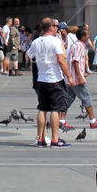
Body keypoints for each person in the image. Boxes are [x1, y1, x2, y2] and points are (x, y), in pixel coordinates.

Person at [27, 18, 73, 147]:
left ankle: (40, 138)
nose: (57, 28)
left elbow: (28, 56)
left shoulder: (36, 42)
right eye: (56, 26)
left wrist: (40, 62)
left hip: (41, 79)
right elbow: (61, 60)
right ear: (51, 28)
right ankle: (55, 139)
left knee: (42, 108)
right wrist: (69, 77)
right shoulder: (55, 41)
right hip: (54, 79)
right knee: (56, 109)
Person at [67, 26, 97, 127]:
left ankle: (61, 120)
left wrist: (83, 72)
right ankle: (92, 121)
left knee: (68, 99)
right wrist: (80, 76)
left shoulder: (77, 45)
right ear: (82, 37)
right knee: (86, 98)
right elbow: (76, 61)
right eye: (87, 36)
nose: (89, 37)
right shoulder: (79, 46)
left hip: (72, 78)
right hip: (76, 79)